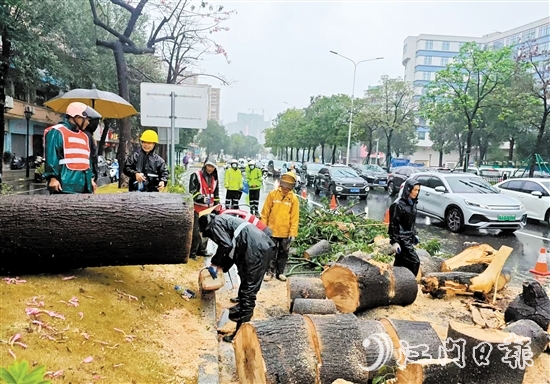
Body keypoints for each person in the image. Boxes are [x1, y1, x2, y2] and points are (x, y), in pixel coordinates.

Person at [198, 212, 276, 342]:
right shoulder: (222, 220)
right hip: (254, 247)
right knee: (245, 282)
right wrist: (222, 267)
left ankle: (241, 333)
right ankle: (240, 311)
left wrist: (215, 262)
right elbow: (232, 247)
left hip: (256, 250)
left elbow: (226, 245)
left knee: (248, 291)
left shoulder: (214, 225)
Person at [43, 102, 102, 194]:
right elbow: (52, 156)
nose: (88, 122)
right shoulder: (57, 131)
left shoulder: (84, 136)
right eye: (86, 119)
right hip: (64, 186)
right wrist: (52, 178)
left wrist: (90, 179)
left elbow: (86, 161)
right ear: (78, 118)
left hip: (84, 187)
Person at [261, 172, 300, 282]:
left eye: (289, 187)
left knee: (283, 254)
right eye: (285, 185)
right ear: (281, 184)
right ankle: (269, 272)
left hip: (285, 232)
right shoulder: (273, 194)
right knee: (271, 253)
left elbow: (294, 218)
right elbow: (265, 213)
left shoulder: (293, 199)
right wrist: (264, 228)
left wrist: (293, 233)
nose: (286, 189)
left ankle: (280, 272)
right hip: (271, 230)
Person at [388, 178, 422, 277]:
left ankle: (396, 282)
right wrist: (394, 241)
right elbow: (393, 224)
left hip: (408, 237)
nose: (416, 192)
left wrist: (414, 234)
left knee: (400, 263)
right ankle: (410, 284)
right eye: (415, 190)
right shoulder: (397, 205)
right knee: (415, 262)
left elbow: (411, 222)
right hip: (402, 239)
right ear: (408, 189)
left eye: (418, 190)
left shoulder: (412, 203)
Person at [189, 159, 220, 259]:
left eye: (212, 166)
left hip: (208, 209)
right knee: (196, 232)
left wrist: (217, 204)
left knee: (206, 231)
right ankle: (192, 252)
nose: (210, 168)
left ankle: (202, 250)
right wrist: (202, 198)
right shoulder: (196, 175)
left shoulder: (215, 178)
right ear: (205, 165)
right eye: (208, 166)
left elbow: (216, 193)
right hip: (197, 208)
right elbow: (193, 192)